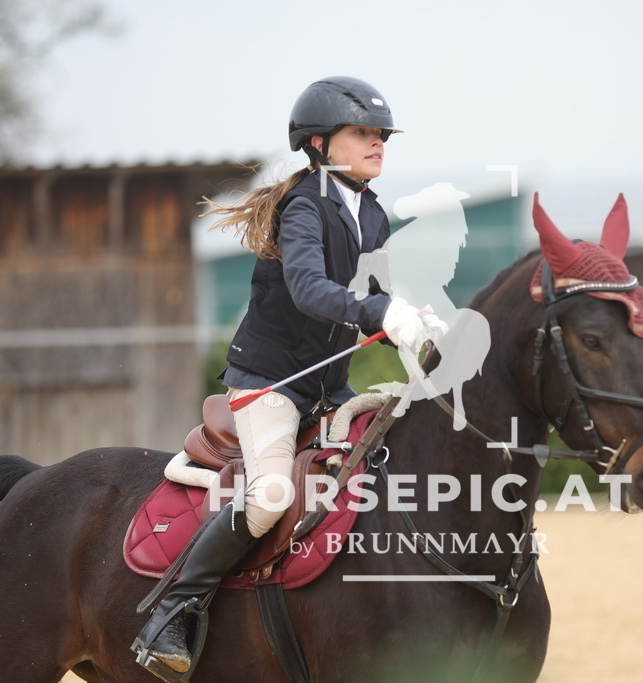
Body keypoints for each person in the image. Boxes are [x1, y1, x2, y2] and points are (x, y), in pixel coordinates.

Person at [132, 76, 446, 675]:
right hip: (269, 384)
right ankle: (173, 608)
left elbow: (369, 293)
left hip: (327, 386)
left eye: (381, 135)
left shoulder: (370, 212)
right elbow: (308, 290)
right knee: (272, 495)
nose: (378, 143)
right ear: (320, 144)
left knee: (391, 460)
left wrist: (414, 318)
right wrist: (381, 311)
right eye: (363, 134)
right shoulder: (304, 206)